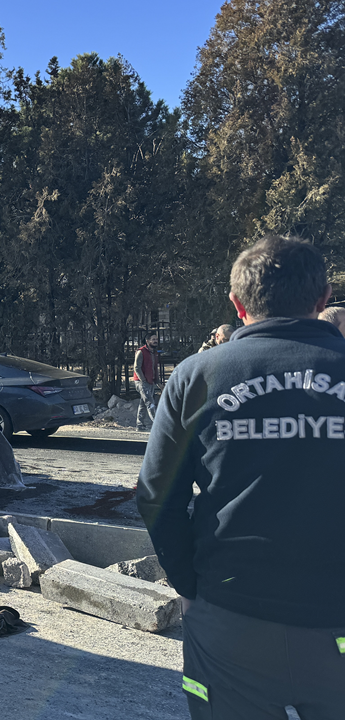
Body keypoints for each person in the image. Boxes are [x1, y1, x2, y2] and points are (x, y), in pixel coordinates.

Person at [136, 235, 344, 720]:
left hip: (230, 620)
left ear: (236, 303)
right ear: (323, 298)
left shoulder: (197, 375)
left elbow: (154, 495)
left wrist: (190, 584)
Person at [132, 333, 161, 431]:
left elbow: (154, 368)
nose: (155, 341)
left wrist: (158, 382)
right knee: (150, 403)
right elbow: (136, 367)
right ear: (147, 341)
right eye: (153, 339)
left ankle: (140, 424)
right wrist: (143, 380)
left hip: (150, 382)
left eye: (156, 339)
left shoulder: (154, 353)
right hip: (142, 382)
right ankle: (159, 426)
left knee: (143, 403)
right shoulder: (141, 352)